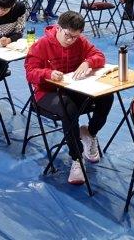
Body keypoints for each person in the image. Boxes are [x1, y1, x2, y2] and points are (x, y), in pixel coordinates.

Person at [24, 11, 113, 185]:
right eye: (68, 35)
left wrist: (88, 62)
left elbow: (99, 56)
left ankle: (89, 133)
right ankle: (76, 158)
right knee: (68, 107)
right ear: (58, 28)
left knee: (106, 96)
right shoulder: (41, 45)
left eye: (75, 37)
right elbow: (30, 73)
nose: (71, 40)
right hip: (47, 93)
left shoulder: (80, 41)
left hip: (73, 90)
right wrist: (48, 73)